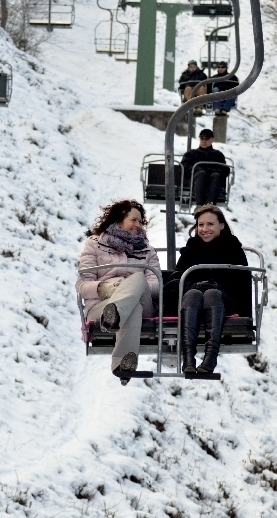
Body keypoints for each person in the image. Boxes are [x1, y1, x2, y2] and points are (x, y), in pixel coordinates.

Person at [76, 200, 160, 383]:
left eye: (140, 222)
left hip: (142, 300)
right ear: (119, 219)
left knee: (137, 279)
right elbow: (82, 286)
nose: (138, 225)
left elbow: (156, 286)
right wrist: (105, 289)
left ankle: (116, 314)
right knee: (132, 309)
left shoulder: (147, 251)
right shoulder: (94, 244)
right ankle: (122, 365)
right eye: (134, 220)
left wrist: (128, 286)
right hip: (101, 306)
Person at [175, 204, 249, 373]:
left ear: (221, 225)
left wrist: (217, 286)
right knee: (193, 293)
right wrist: (195, 285)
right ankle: (188, 359)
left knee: (212, 293)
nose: (205, 229)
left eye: (210, 224)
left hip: (224, 300)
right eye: (201, 225)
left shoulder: (233, 249)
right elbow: (176, 280)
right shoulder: (191, 250)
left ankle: (210, 357)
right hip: (193, 300)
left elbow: (241, 282)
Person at [180, 128, 230, 207]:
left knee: (216, 175)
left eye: (206, 138)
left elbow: (225, 169)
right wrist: (197, 169)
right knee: (201, 174)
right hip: (195, 181)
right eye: (202, 138)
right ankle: (200, 204)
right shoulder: (191, 153)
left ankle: (210, 204)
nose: (204, 141)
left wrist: (214, 171)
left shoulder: (218, 155)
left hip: (213, 181)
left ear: (212, 140)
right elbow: (184, 166)